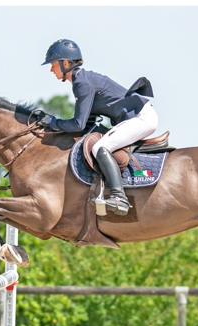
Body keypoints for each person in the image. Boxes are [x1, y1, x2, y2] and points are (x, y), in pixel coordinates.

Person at [38, 39, 158, 216]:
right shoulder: (82, 80)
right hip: (138, 116)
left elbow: (77, 124)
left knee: (100, 147)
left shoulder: (82, 83)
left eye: (53, 65)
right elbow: (86, 124)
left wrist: (51, 122)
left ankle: (119, 198)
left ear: (65, 63)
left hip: (142, 118)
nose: (51, 69)